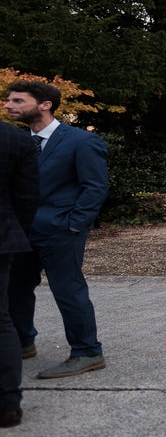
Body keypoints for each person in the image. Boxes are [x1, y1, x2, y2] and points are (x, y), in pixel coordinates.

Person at [4, 81, 108, 379]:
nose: (8, 105)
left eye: (18, 100)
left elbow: (95, 187)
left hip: (61, 231)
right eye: (9, 100)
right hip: (22, 231)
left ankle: (87, 352)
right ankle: (23, 343)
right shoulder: (19, 141)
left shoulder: (81, 141)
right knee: (15, 289)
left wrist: (74, 225)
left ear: (45, 104)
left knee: (68, 291)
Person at [0, 118, 38, 426]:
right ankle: (7, 405)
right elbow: (26, 199)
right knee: (1, 320)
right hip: (2, 238)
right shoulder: (17, 139)